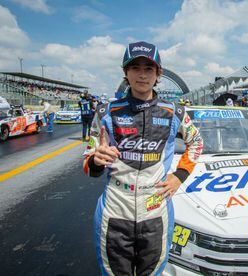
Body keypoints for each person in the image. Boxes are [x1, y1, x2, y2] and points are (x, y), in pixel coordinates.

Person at [82, 41, 203, 275]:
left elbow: (196, 142)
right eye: (135, 67)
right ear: (125, 73)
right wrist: (96, 160)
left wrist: (179, 176)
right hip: (116, 207)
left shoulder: (174, 112)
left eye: (149, 68)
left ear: (158, 74)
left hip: (155, 206)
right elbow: (87, 163)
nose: (142, 74)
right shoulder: (106, 112)